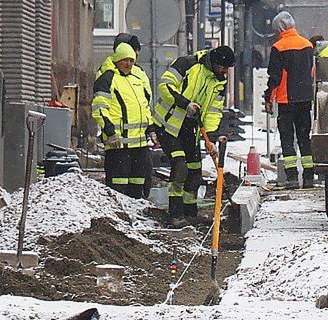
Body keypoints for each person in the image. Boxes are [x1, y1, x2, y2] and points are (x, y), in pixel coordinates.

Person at [155, 45, 234, 222]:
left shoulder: (219, 81)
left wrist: (212, 136)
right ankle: (175, 214)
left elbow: (214, 110)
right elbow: (165, 86)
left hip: (191, 128)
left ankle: (190, 213)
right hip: (168, 124)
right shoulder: (187, 64)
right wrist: (185, 104)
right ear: (213, 62)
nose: (224, 71)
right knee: (180, 166)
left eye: (227, 68)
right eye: (222, 67)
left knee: (194, 171)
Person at [91, 43, 154, 198]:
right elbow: (99, 108)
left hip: (139, 144)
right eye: (125, 60)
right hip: (118, 143)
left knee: (137, 184)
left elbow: (144, 107)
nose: (128, 64)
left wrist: (151, 129)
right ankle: (118, 217)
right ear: (117, 60)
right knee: (118, 185)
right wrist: (110, 132)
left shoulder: (136, 79)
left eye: (131, 61)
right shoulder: (108, 78)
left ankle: (136, 217)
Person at [265, 11, 317, 188]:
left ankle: (292, 177)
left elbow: (275, 77)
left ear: (278, 28)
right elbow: (311, 72)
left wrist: (269, 99)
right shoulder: (307, 45)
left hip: (286, 101)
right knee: (304, 137)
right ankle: (309, 177)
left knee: (287, 139)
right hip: (304, 99)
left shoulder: (278, 47)